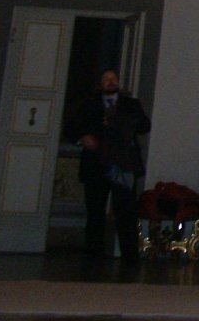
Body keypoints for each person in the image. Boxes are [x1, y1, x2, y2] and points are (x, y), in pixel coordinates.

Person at [64, 69, 151, 261]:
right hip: (96, 163)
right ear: (100, 84)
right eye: (106, 79)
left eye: (114, 79)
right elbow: (71, 127)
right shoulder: (88, 104)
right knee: (95, 212)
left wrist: (124, 122)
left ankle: (129, 257)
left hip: (123, 164)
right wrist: (82, 138)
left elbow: (145, 126)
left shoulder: (130, 104)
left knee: (126, 212)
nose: (111, 82)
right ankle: (93, 257)